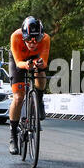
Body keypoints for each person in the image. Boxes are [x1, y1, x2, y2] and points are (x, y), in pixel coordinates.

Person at [8, 16, 50, 155]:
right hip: (18, 60)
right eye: (29, 40)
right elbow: (19, 62)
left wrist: (39, 64)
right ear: (24, 36)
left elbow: (44, 62)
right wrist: (26, 65)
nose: (32, 44)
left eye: (36, 40)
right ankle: (13, 135)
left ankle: (39, 100)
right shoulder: (15, 36)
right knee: (18, 98)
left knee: (41, 72)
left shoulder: (45, 39)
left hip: (35, 58)